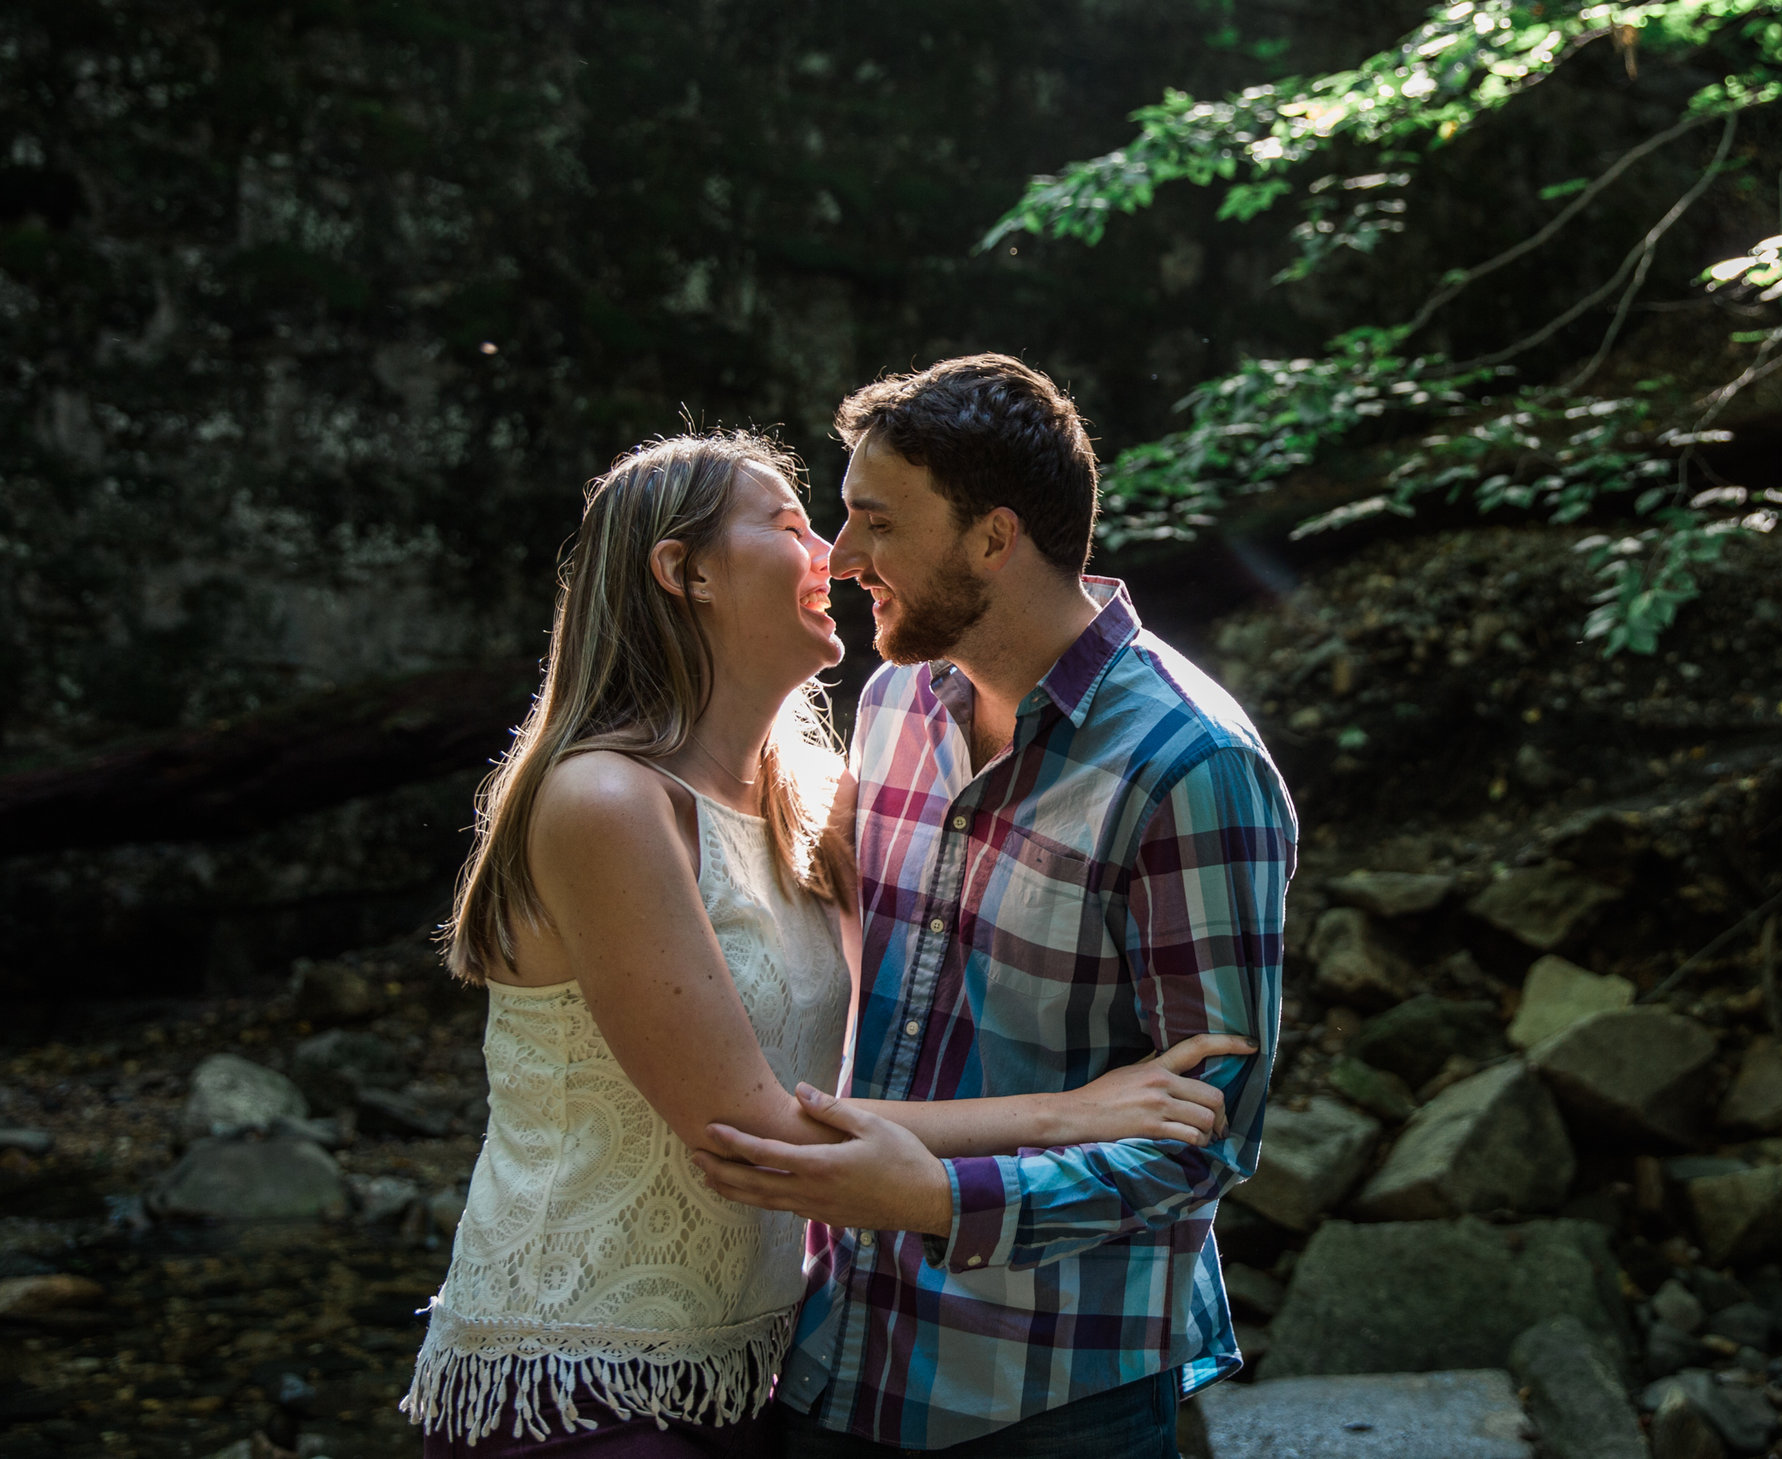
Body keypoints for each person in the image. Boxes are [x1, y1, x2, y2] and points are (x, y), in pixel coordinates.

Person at [405, 429, 1249, 1456]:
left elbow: (886, 1021)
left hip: (759, 1369)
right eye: (791, 522)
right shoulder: (606, 798)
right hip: (579, 1372)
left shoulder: (806, 791)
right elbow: (749, 1126)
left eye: (845, 523)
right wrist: (1071, 1112)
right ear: (688, 570)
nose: (834, 555)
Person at [690, 357, 1296, 1458]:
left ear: (991, 538)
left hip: (1049, 1390)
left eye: (875, 520)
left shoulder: (1191, 762)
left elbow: (1208, 1135)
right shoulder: (890, 699)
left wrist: (938, 1197)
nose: (841, 556)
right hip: (834, 1349)